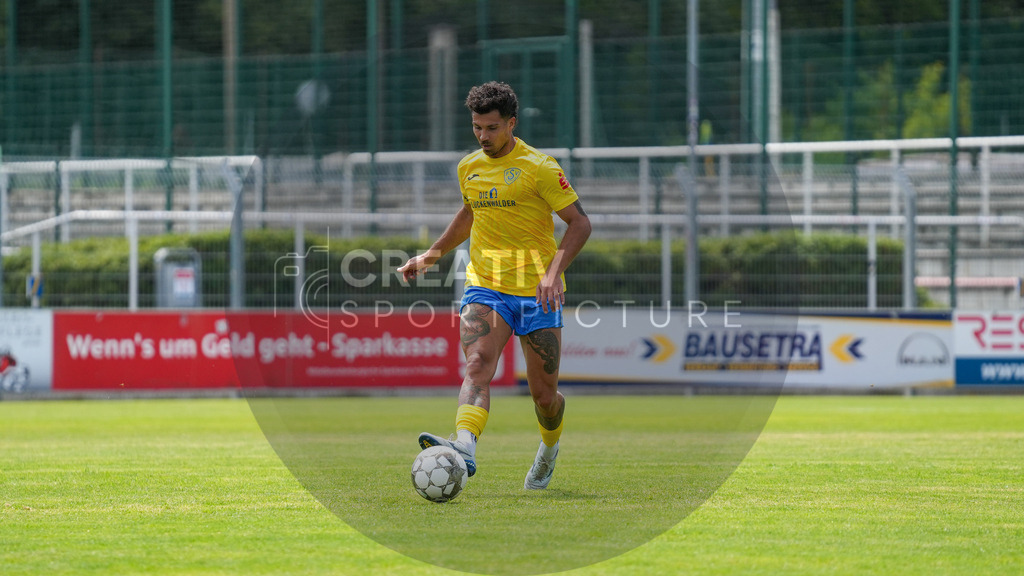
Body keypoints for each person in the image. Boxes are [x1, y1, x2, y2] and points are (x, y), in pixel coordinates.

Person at [398, 81, 591, 490]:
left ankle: (549, 449)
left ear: (511, 124)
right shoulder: (469, 167)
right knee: (477, 364)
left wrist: (553, 272)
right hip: (485, 286)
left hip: (538, 294)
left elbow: (580, 223)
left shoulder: (540, 167)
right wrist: (430, 256)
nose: (483, 136)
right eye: (476, 127)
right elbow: (470, 213)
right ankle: (464, 446)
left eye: (491, 128)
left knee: (544, 398)